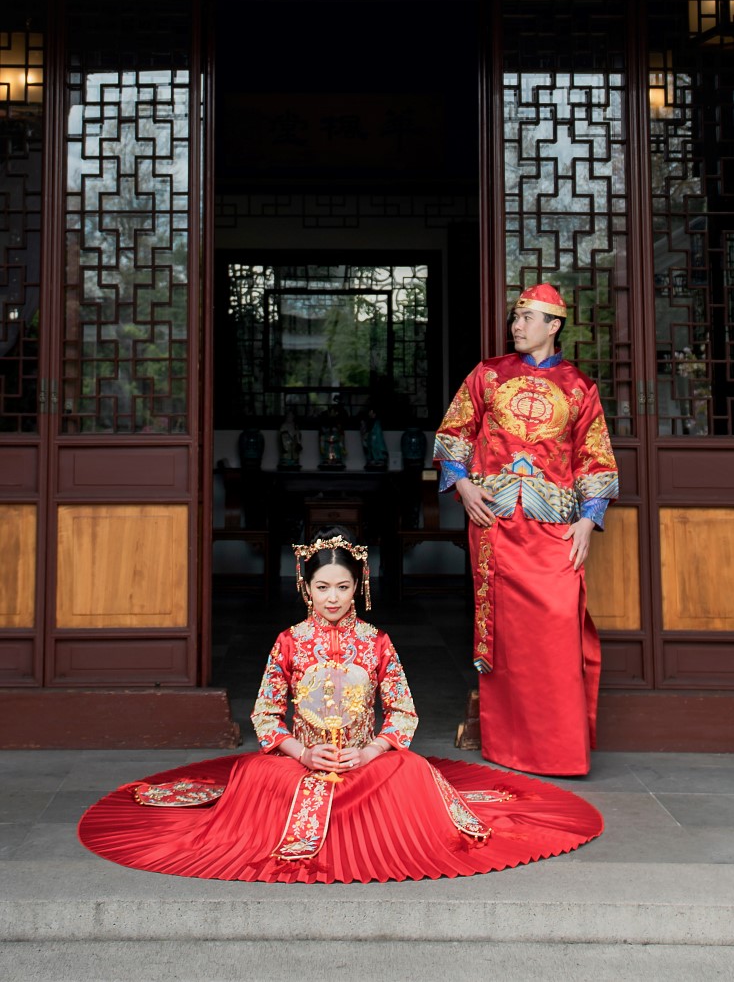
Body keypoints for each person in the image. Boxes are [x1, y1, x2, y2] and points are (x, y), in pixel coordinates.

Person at [78, 527, 604, 883]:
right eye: (322, 587)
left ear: (359, 588)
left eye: (343, 587)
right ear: (306, 588)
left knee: (410, 773)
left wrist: (372, 751)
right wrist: (299, 753)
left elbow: (402, 713)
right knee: (257, 779)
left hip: (364, 760)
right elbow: (263, 714)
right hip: (298, 761)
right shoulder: (288, 641)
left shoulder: (377, 642)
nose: (333, 598)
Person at [434, 284, 619, 777]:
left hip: (555, 525)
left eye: (528, 317)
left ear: (554, 326)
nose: (517, 325)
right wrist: (464, 489)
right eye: (516, 317)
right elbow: (453, 433)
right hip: (495, 523)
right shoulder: (488, 374)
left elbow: (595, 457)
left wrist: (587, 518)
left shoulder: (578, 385)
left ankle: (561, 750)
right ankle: (509, 747)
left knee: (558, 630)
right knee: (508, 636)